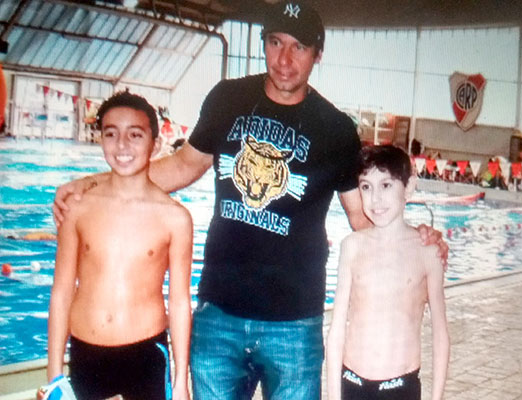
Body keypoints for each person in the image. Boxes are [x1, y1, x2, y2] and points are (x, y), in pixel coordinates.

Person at [52, 2, 448, 399]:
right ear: (264, 44)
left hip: (294, 323)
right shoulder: (229, 98)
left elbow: (364, 218)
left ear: (318, 54)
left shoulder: (335, 129)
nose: (284, 59)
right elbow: (182, 166)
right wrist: (93, 183)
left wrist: (416, 237)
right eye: (275, 42)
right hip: (219, 314)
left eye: (299, 47)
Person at [47, 91, 193, 400]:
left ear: (155, 144)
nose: (122, 145)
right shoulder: (78, 208)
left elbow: (179, 301)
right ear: (100, 139)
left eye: (135, 135)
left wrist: (181, 380)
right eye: (111, 134)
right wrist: (54, 376)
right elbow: (61, 292)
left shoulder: (175, 217)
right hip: (86, 352)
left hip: (146, 353)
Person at [327, 145, 450, 400]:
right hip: (352, 382)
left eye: (386, 185)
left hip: (400, 388)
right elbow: (336, 330)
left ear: (409, 187)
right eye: (366, 187)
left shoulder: (428, 252)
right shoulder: (352, 246)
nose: (375, 199)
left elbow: (440, 334)